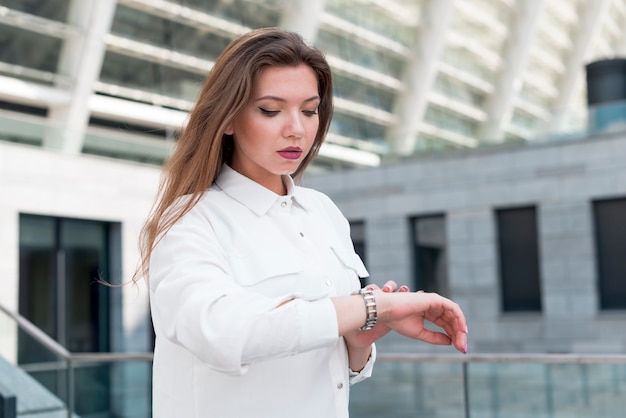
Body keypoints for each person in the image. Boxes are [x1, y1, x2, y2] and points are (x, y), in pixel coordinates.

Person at [135, 27, 468, 418]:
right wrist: (370, 304)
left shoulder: (322, 211)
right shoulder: (190, 220)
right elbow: (222, 332)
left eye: (309, 110)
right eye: (271, 110)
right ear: (227, 119)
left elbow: (332, 367)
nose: (297, 128)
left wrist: (360, 340)